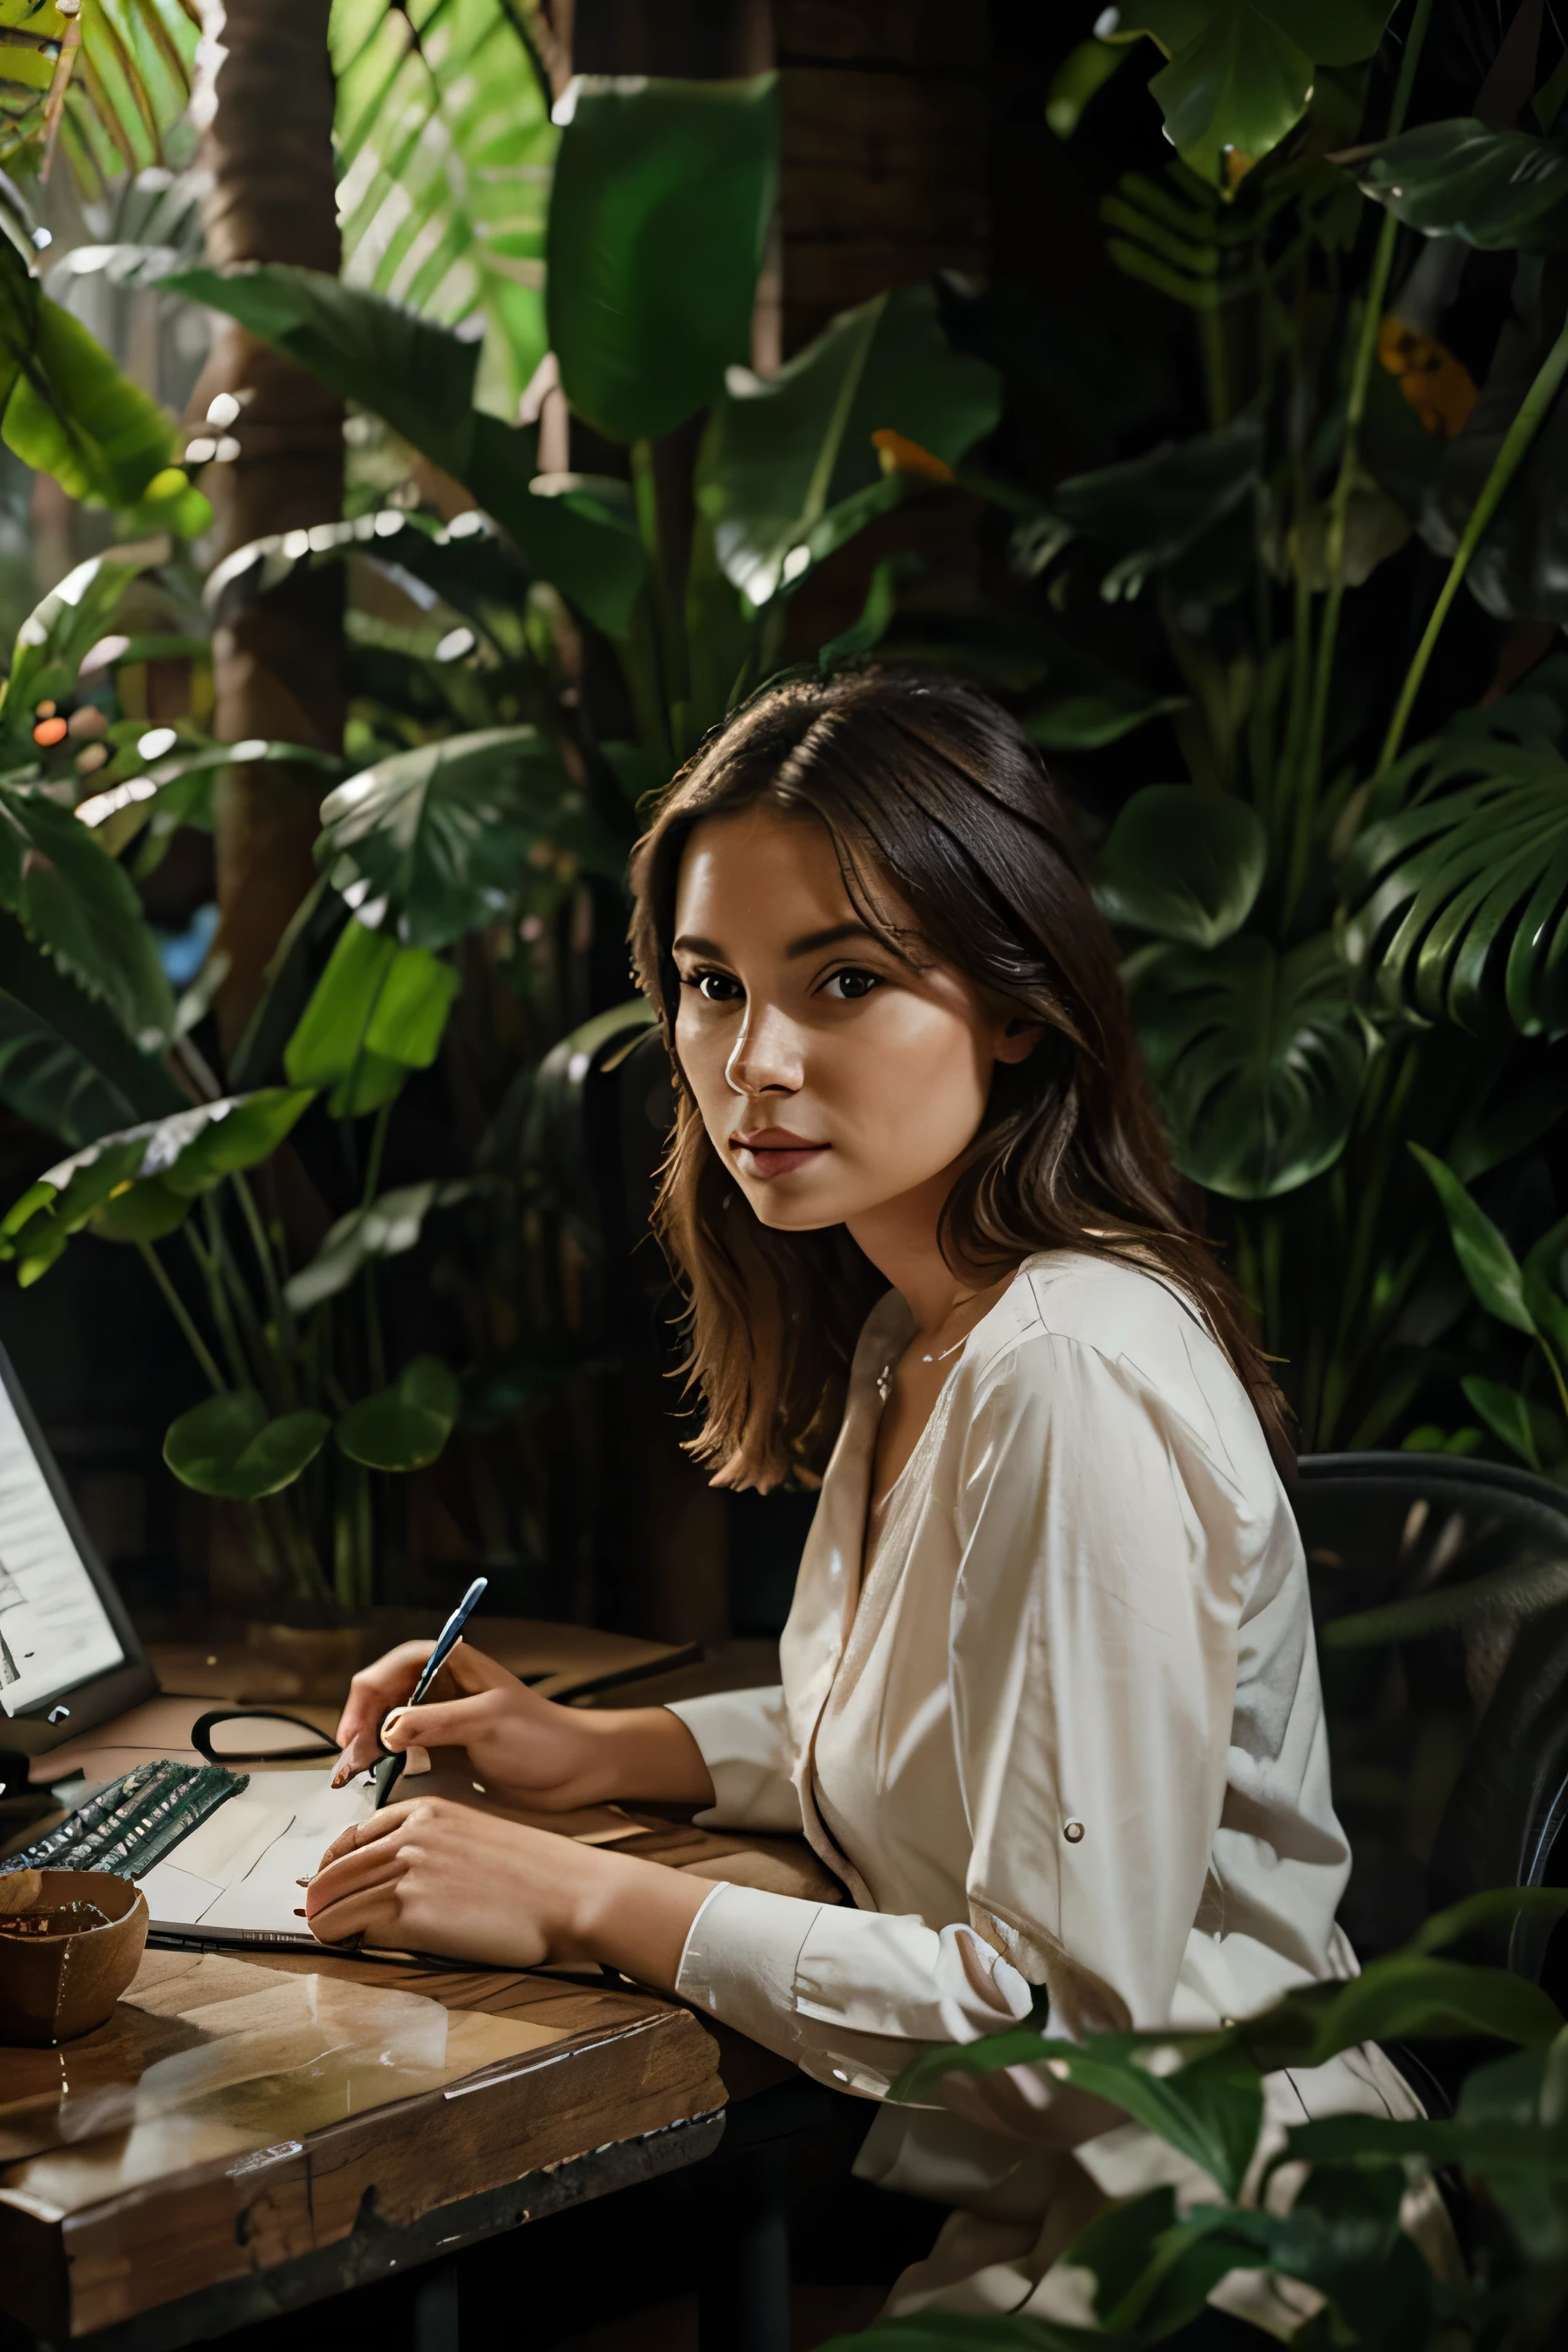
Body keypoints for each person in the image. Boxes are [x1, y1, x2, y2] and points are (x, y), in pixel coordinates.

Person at [306, 668, 1439, 2324]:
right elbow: (961, 1720)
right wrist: (610, 1749)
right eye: (708, 986)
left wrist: (588, 1895)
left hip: (1224, 2250)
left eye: (840, 981)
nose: (750, 1062)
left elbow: (1061, 2025)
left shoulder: (1066, 1368)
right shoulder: (925, 1338)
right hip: (1072, 2223)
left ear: (1017, 1001)